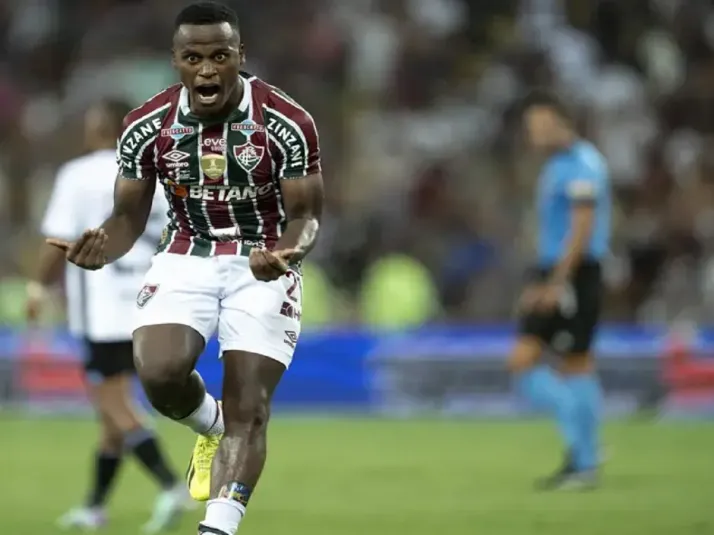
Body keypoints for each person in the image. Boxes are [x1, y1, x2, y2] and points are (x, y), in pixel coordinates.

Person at [46, 3, 324, 534]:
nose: (207, 69)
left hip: (263, 259)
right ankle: (210, 424)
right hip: (185, 253)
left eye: (220, 56)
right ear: (175, 61)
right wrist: (101, 248)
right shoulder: (146, 126)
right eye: (193, 58)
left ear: (240, 56)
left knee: (249, 405)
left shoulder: (287, 122)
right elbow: (127, 217)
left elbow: (306, 216)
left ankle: (216, 525)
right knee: (158, 372)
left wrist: (287, 254)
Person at [30, 100, 188, 532]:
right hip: (154, 301)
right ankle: (94, 506)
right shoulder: (158, 172)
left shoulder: (79, 174)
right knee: (111, 416)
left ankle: (171, 485)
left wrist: (38, 287)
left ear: (99, 126)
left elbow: (57, 238)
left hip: (102, 306)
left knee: (112, 403)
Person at [509, 89, 610, 490]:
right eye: (531, 127)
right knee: (576, 364)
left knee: (525, 361)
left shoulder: (583, 164)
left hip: (573, 273)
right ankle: (586, 453)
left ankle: (584, 454)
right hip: (560, 271)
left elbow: (582, 229)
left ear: (563, 123)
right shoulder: (559, 165)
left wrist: (556, 282)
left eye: (541, 126)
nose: (535, 134)